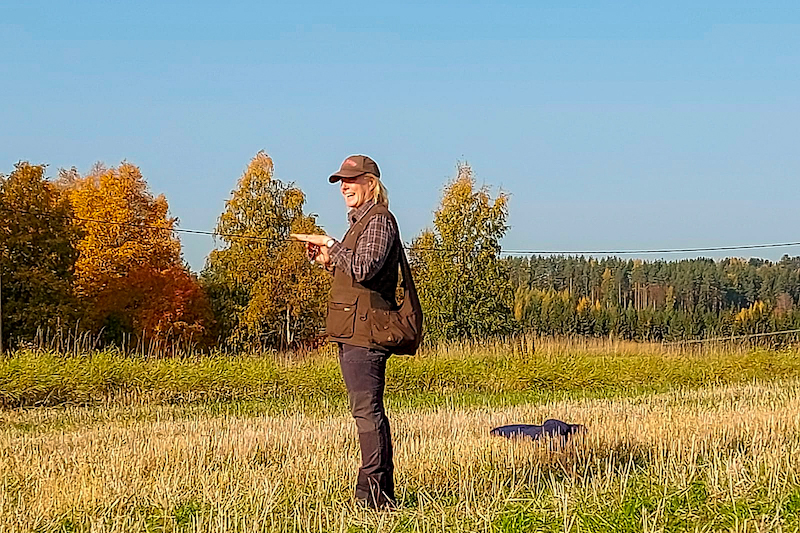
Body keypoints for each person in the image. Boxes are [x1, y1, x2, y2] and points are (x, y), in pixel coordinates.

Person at [291, 155, 401, 510]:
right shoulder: (362, 223)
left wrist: (331, 244)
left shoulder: (379, 221)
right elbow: (354, 275)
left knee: (367, 413)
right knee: (364, 412)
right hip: (353, 331)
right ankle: (373, 496)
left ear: (371, 183)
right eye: (340, 181)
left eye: (350, 180)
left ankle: (375, 499)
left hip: (366, 333)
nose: (344, 187)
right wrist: (327, 260)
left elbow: (366, 269)